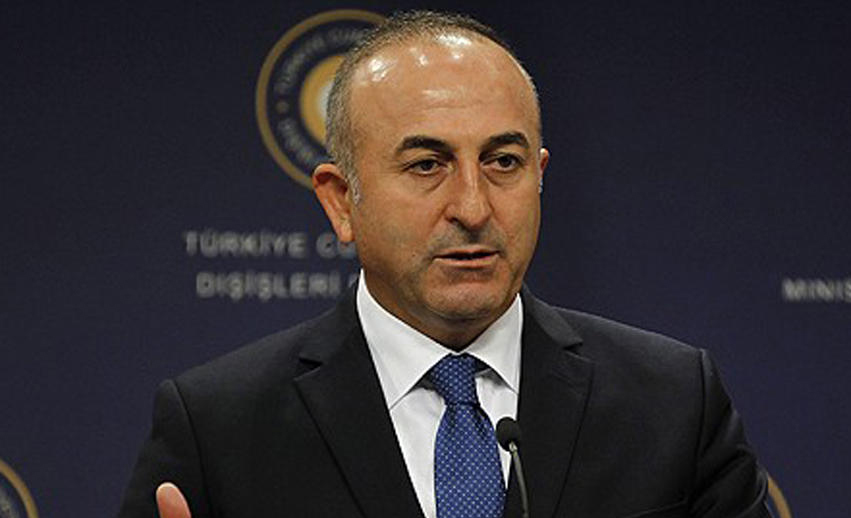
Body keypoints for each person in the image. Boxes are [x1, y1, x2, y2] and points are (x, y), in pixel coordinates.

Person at [118, 10, 771, 518]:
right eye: (427, 165)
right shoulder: (219, 430)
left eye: (503, 162)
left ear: (540, 177)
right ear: (341, 201)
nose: (473, 206)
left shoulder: (672, 403)